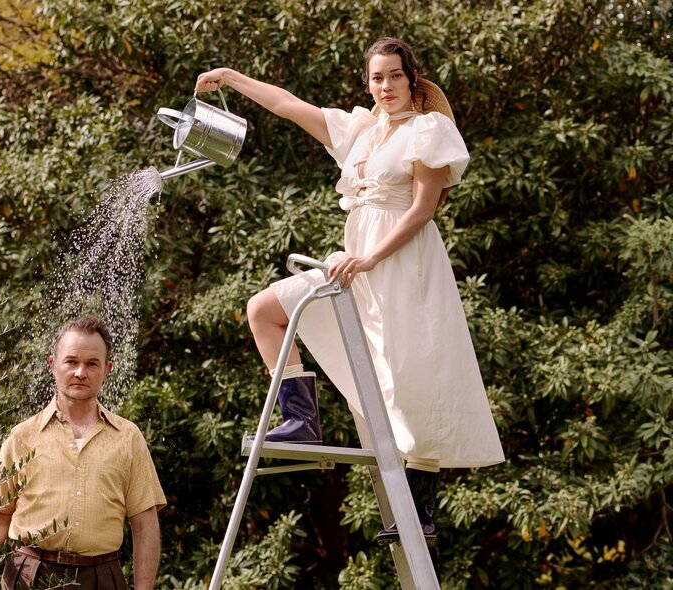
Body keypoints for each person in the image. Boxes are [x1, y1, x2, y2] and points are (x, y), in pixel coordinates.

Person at [195, 37, 504, 545]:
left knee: (409, 374)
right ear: (368, 82)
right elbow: (290, 106)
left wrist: (371, 258)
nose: (386, 86)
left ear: (413, 79)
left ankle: (420, 509)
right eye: (377, 77)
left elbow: (423, 209)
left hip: (402, 263)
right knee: (264, 310)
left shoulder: (427, 130)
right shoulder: (360, 131)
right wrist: (230, 77)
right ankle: (299, 415)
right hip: (354, 264)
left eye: (395, 76)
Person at [0, 315, 166, 589]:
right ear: (53, 365)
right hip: (29, 575)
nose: (80, 372)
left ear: (107, 370)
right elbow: (0, 516)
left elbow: (145, 525)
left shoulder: (128, 438)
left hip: (101, 578)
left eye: (91, 364)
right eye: (71, 361)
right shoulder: (22, 437)